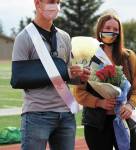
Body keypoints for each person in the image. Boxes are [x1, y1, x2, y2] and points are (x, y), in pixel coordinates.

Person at [11, 0, 90, 150]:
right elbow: (19, 78)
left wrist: (80, 77)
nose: (55, 5)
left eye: (58, 2)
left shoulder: (64, 37)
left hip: (66, 114)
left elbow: (65, 75)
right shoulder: (24, 38)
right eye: (51, 1)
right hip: (36, 115)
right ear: (37, 3)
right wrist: (65, 72)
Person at [73, 9, 136, 150]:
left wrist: (130, 105)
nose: (111, 31)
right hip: (96, 124)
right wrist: (99, 102)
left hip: (124, 120)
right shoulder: (88, 57)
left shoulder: (129, 57)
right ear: (100, 30)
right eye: (107, 28)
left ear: (119, 33)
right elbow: (78, 92)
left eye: (115, 29)